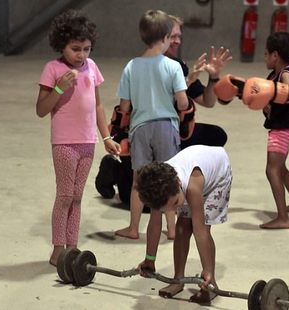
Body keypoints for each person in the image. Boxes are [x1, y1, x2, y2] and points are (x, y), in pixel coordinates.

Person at [95, 14, 231, 206]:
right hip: (142, 133)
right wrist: (116, 137)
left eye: (179, 36)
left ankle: (188, 180)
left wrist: (213, 78)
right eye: (173, 36)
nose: (177, 41)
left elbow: (207, 101)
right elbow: (125, 109)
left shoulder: (176, 66)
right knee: (140, 198)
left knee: (216, 136)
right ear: (163, 36)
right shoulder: (143, 67)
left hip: (169, 130)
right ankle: (115, 170)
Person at [36, 9, 120, 266]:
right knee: (64, 195)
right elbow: (41, 110)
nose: (82, 55)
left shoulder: (91, 67)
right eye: (75, 49)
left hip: (87, 142)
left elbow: (97, 106)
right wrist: (60, 87)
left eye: (86, 49)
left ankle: (72, 246)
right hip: (64, 142)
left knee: (77, 196)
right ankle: (57, 247)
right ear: (61, 45)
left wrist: (106, 137)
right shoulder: (53, 68)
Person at [113, 10, 189, 240]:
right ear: (166, 36)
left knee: (139, 179)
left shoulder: (131, 67)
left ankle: (134, 228)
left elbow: (124, 106)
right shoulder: (173, 67)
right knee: (170, 177)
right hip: (166, 126)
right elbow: (183, 102)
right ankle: (173, 229)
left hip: (140, 128)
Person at [135, 145, 232, 304]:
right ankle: (178, 280)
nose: (176, 209)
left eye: (175, 203)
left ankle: (211, 281)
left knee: (201, 226)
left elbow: (200, 232)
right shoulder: (157, 190)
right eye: (169, 210)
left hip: (218, 176)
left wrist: (206, 271)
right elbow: (154, 226)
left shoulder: (192, 187)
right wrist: (149, 259)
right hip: (194, 170)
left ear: (178, 182)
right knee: (181, 228)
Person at [259, 32, 289, 229]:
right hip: (281, 126)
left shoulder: (284, 73)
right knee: (281, 169)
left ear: (275, 55)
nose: (265, 57)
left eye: (266, 53)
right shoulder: (273, 75)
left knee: (272, 170)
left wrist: (278, 94)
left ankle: (283, 218)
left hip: (283, 129)